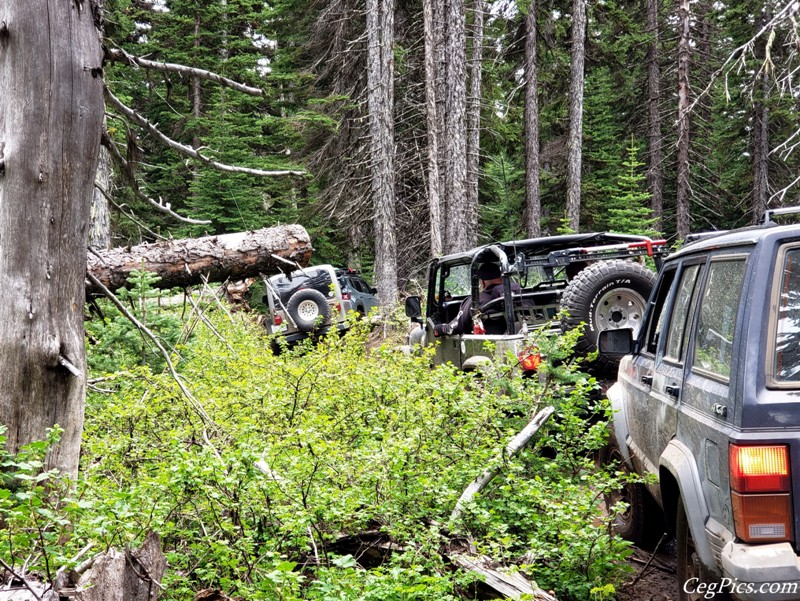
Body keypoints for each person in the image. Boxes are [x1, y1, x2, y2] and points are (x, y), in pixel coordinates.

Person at [433, 262, 521, 336]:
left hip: (488, 348)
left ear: (482, 282)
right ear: (502, 278)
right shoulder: (521, 296)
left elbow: (456, 327)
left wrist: (439, 329)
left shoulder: (476, 300)